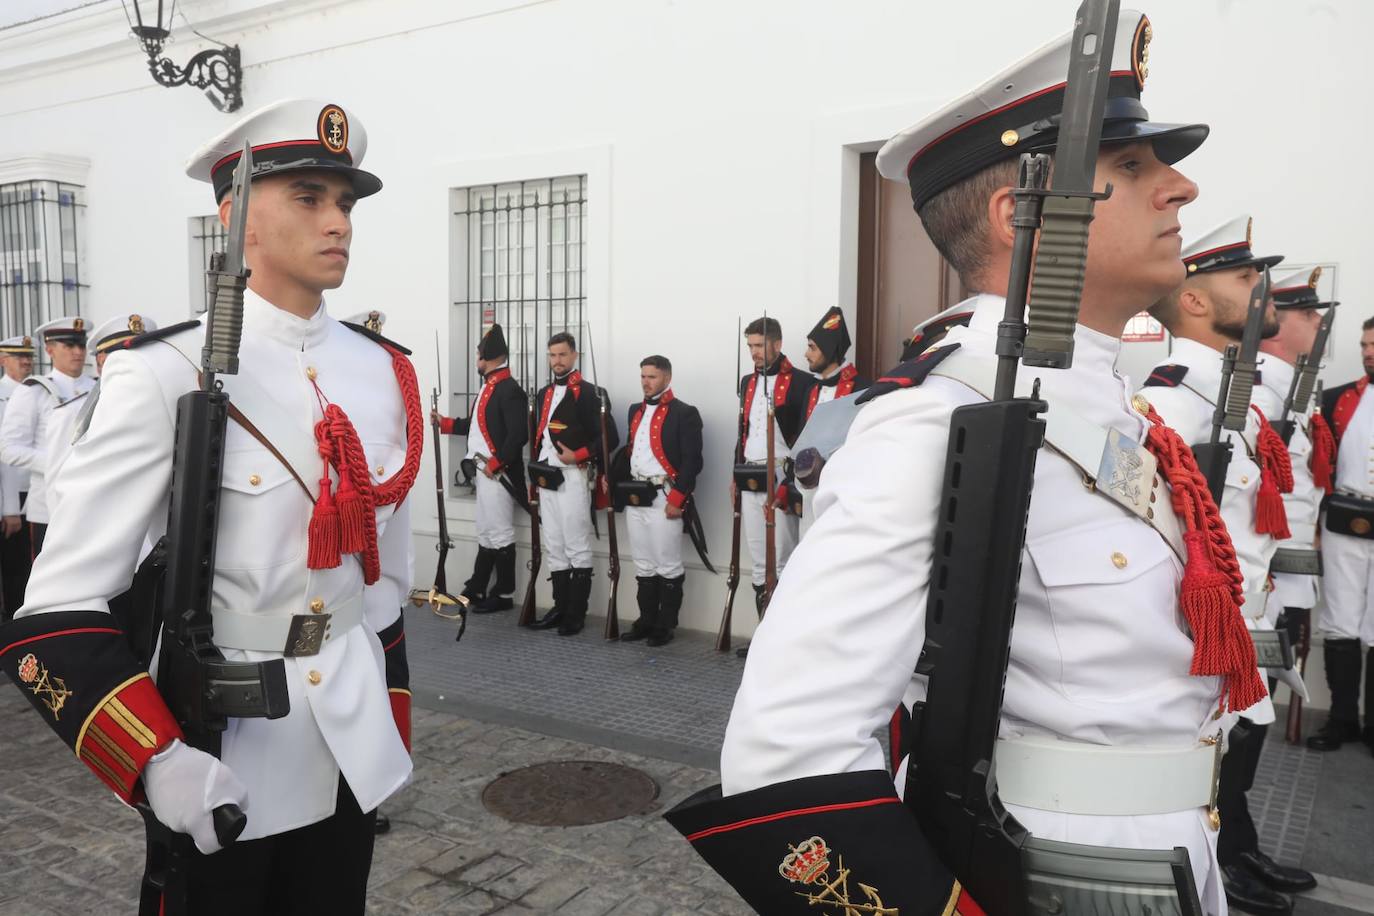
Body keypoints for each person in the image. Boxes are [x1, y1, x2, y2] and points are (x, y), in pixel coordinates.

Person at [666, 12, 1263, 915]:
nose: (1180, 189)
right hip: (1055, 875)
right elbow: (785, 752)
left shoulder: (1116, 404)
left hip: (1177, 853)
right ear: (1022, 212)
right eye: (1134, 168)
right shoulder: (937, 420)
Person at [0, 98, 422, 915]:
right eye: (309, 197)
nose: (338, 221)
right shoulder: (165, 373)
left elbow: (384, 584)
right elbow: (50, 616)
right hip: (225, 753)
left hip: (349, 737)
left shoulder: (383, 373)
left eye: (346, 201)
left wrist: (389, 709)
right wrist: (158, 761)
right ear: (236, 219)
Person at [1145, 219, 1315, 914]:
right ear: (1192, 302)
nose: (1262, 287)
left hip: (1245, 620)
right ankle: (1217, 863)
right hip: (1206, 639)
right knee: (1204, 776)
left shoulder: (1232, 401)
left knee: (1237, 758)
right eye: (1245, 278)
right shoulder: (1173, 404)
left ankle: (1232, 853)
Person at [1254, 267, 1338, 755]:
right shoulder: (1264, 393)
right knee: (1251, 707)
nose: (1317, 324)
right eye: (1307, 314)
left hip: (1291, 569)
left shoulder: (1295, 391)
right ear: (1276, 321)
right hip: (1267, 578)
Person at [432, 323, 528, 613]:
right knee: (486, 532)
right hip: (484, 472)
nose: (477, 360)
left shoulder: (509, 390)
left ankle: (504, 593)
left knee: (499, 533)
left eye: (479, 355)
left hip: (498, 474)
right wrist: (446, 423)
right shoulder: (490, 387)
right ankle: (477, 585)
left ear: (489, 357)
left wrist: (497, 462)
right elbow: (476, 427)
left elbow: (518, 434)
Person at [527, 331, 618, 635]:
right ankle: (560, 606)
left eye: (563, 355)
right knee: (554, 544)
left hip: (575, 477)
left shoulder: (592, 393)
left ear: (575, 355)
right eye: (552, 355)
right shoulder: (543, 393)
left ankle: (575, 614)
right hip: (546, 477)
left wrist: (577, 455)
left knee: (576, 546)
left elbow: (610, 438)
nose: (557, 361)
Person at [1315, 315, 1374, 755]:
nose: (1368, 352)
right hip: (1343, 520)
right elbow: (1320, 466)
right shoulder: (1337, 399)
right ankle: (1340, 720)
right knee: (1339, 621)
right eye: (1364, 344)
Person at [614, 355, 703, 647]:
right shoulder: (634, 411)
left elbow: (692, 462)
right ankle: (646, 620)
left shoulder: (685, 413)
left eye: (651, 377)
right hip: (636, 493)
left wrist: (678, 498)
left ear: (667, 377)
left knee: (667, 563)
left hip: (664, 496)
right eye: (642, 376)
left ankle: (665, 625)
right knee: (643, 562)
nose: (645, 382)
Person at [733, 317, 814, 617]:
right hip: (749, 476)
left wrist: (790, 480)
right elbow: (742, 432)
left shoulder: (803, 382)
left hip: (780, 475)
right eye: (750, 346)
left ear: (777, 345)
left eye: (759, 345)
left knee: (782, 558)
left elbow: (807, 437)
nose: (753, 352)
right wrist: (734, 476)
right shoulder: (747, 381)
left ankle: (782, 636)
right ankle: (762, 634)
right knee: (757, 561)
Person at [0, 317, 95, 556]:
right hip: (49, 506)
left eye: (81, 345)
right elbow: (9, 447)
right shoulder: (33, 391)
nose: (77, 352)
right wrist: (59, 462)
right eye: (69, 346)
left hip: (92, 501)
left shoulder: (98, 387)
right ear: (50, 349)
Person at [0, 335, 35, 618]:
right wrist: (10, 507)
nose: (26, 362)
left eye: (28, 356)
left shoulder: (38, 392)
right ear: (3, 361)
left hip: (36, 492)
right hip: (10, 496)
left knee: (30, 566)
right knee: (15, 569)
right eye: (18, 357)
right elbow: (5, 458)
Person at [803, 307, 870, 420]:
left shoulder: (862, 390)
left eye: (812, 348)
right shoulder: (811, 391)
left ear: (829, 351)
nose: (806, 354)